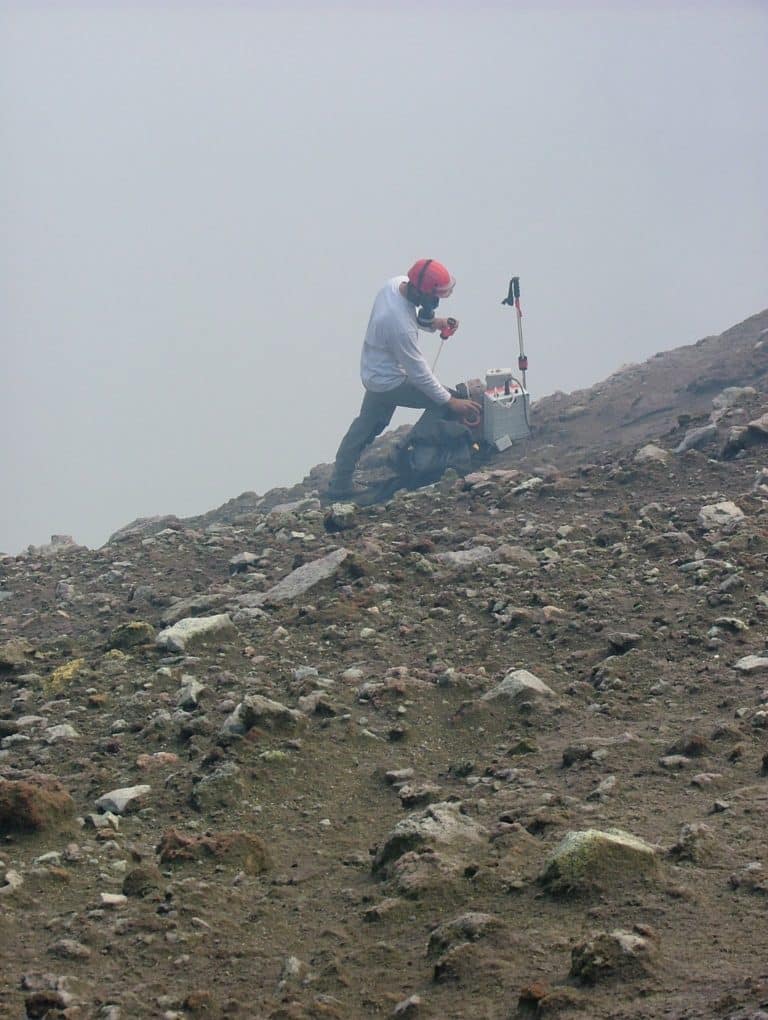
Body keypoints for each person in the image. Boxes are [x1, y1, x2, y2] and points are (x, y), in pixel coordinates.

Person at [327, 259, 481, 498]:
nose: (436, 302)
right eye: (434, 298)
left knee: (365, 427)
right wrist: (451, 401)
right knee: (440, 402)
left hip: (376, 372)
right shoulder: (398, 325)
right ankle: (409, 454)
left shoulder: (396, 285)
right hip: (390, 381)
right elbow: (419, 373)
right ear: (420, 292)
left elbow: (414, 316)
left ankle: (339, 484)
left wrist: (435, 323)